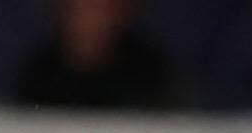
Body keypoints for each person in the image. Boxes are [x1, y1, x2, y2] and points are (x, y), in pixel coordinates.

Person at [10, 0, 180, 111]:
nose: (95, 20)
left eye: (104, 8)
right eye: (85, 7)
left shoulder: (152, 78)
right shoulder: (36, 77)